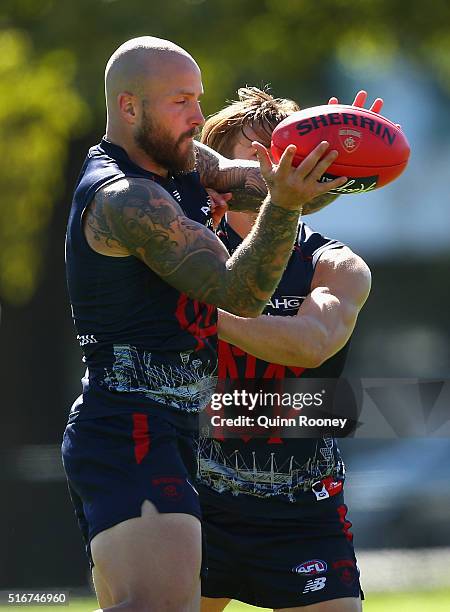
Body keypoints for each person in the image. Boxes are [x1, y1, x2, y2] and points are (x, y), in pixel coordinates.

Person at [61, 36, 346, 612]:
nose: (199, 116)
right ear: (129, 107)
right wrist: (286, 206)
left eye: (199, 98)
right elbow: (238, 293)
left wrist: (343, 147)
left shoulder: (189, 163)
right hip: (127, 426)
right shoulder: (127, 198)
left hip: (178, 425)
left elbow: (274, 183)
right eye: (182, 101)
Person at [198, 87, 375, 612]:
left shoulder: (337, 264)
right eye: (245, 158)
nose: (262, 170)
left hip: (302, 502)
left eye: (273, 155)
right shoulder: (187, 251)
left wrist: (202, 313)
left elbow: (310, 345)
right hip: (194, 494)